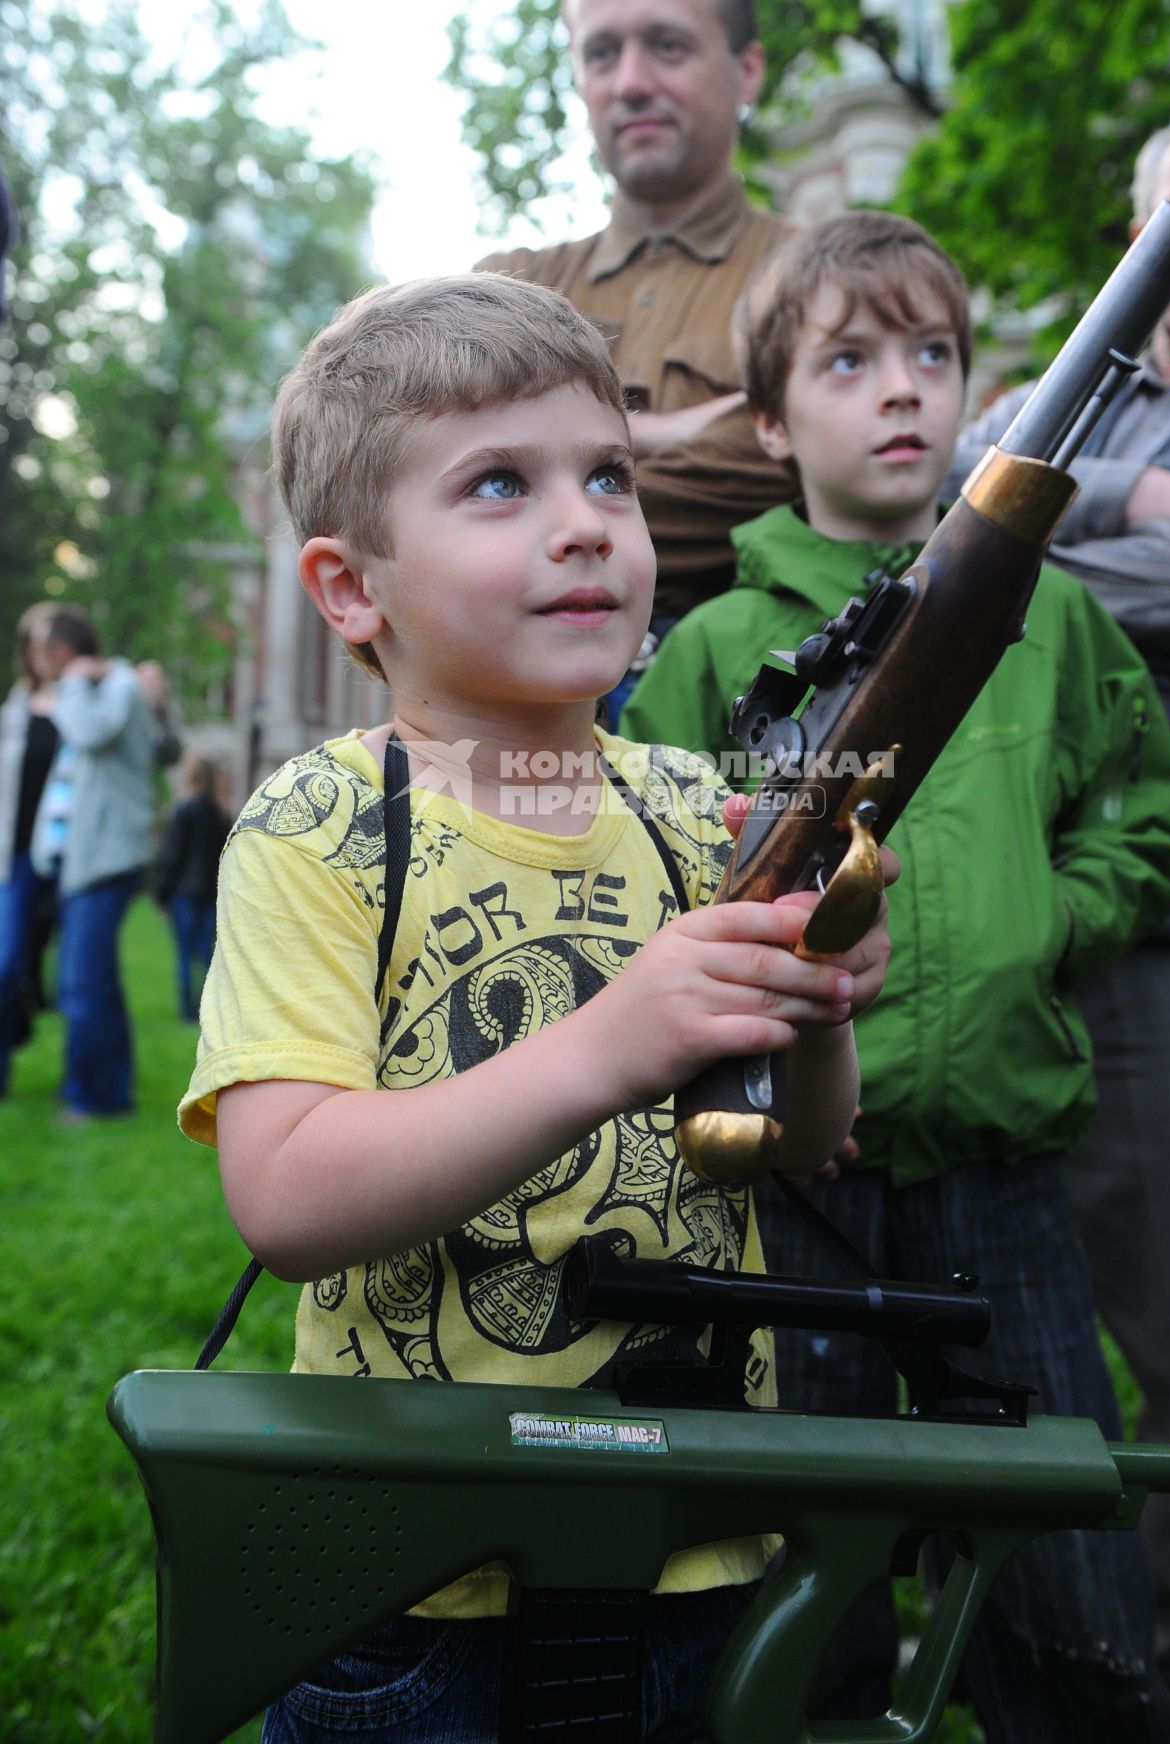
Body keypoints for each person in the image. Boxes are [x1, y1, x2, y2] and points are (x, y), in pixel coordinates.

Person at [177, 271, 892, 1744]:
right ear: (350, 587)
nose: (585, 524)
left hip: (696, 1540)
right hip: (418, 1570)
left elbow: (800, 1145)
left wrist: (810, 1007)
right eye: (499, 483)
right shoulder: (319, 824)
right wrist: (607, 1045)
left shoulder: (700, 811)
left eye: (608, 476)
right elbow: (288, 1195)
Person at [623, 212, 1170, 1744]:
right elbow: (652, 881)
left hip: (1002, 1170)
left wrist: (1041, 923)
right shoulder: (721, 650)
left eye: (931, 356)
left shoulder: (1053, 616)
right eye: (850, 360)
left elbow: (1148, 817)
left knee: (1053, 1574)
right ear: (771, 419)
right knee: (792, 1562)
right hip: (781, 1196)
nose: (901, 391)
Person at [953, 89, 1170, 1744]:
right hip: (1002, 939)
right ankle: (1037, 1677)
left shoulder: (1111, 425)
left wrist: (1062, 533)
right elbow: (959, 480)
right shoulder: (1076, 387)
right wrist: (1164, 515)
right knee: (1005, 1352)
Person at [477, 0, 797, 717]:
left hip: (751, 715)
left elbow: (808, 470)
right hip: (521, 728)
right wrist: (681, 432)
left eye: (667, 45)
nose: (630, 82)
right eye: (600, 53)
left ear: (747, 68)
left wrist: (516, 496)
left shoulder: (824, 280)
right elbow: (409, 481)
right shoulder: (507, 289)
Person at [28, 607, 155, 1120]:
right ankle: (108, 1089)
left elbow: (86, 733)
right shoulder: (104, 688)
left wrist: (75, 684)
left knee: (83, 983)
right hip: (82, 861)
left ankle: (92, 1099)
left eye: (43, 655)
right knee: (90, 980)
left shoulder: (116, 686)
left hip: (104, 860)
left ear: (61, 654)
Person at [0, 605, 61, 1092]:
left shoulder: (91, 698)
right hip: (17, 856)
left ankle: (88, 1087)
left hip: (70, 857)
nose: (43, 652)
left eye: (52, 640)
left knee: (73, 972)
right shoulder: (17, 705)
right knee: (6, 960)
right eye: (35, 642)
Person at [153, 751, 231, 1021]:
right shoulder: (220, 816)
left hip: (184, 893)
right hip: (210, 894)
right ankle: (209, 1009)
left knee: (185, 954)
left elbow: (173, 856)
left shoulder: (183, 813)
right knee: (208, 955)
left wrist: (162, 895)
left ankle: (187, 1010)